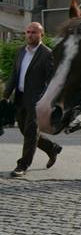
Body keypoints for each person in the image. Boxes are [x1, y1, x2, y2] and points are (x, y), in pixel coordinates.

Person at [3, 21, 60, 178]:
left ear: (41, 34)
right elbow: (14, 76)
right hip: (20, 97)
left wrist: (48, 100)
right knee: (24, 129)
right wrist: (5, 95)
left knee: (30, 132)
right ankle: (52, 148)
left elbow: (52, 79)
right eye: (28, 32)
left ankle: (22, 165)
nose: (30, 35)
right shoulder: (21, 51)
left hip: (37, 100)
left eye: (34, 32)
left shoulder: (47, 54)